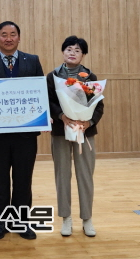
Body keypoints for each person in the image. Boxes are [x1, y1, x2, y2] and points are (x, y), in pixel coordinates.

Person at [0, 21, 44, 240]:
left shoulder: (32, 61)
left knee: (23, 181)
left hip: (26, 136)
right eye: (3, 34)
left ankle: (22, 223)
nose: (8, 38)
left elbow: (40, 93)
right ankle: (1, 223)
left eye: (12, 34)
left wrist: (44, 116)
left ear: (19, 38)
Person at [46, 36, 104, 238]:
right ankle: (66, 218)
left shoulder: (90, 76)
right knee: (62, 175)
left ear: (83, 55)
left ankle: (87, 218)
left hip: (84, 132)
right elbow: (49, 101)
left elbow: (99, 105)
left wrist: (90, 121)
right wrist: (61, 116)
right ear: (63, 52)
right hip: (61, 130)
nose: (72, 53)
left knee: (85, 174)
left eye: (77, 50)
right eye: (69, 49)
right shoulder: (53, 76)